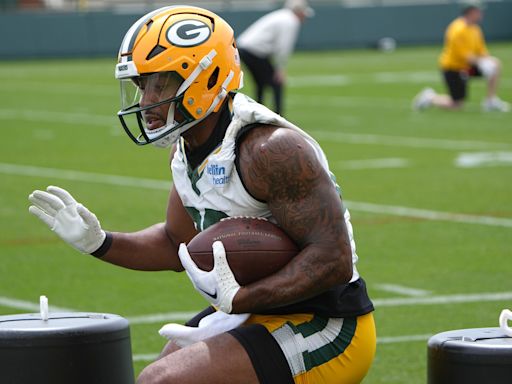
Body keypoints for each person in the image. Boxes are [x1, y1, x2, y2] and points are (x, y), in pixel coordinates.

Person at [28, 5, 375, 384]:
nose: (146, 101)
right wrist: (99, 242)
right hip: (253, 308)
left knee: (160, 382)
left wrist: (241, 299)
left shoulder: (269, 149)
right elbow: (176, 242)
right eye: (143, 85)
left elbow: (333, 260)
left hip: (327, 321)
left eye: (160, 83)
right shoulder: (188, 145)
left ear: (205, 78)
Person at [413, 3, 509, 112]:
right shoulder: (458, 30)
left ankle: (490, 101)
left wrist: (487, 60)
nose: (481, 14)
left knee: (495, 64)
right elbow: (465, 56)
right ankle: (430, 97)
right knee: (456, 104)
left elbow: (481, 51)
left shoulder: (475, 29)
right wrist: (482, 62)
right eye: (478, 12)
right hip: (454, 69)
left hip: (468, 68)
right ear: (470, 12)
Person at [236, 0, 314, 116]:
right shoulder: (290, 21)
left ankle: (258, 113)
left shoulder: (282, 16)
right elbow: (283, 46)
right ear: (299, 12)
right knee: (276, 83)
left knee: (261, 83)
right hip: (253, 51)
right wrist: (280, 69)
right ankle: (278, 115)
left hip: (245, 48)